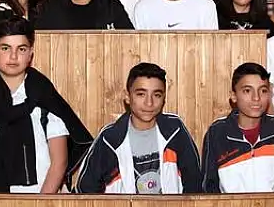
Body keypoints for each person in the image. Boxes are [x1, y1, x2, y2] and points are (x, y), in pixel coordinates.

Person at [0, 18, 94, 193]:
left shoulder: (46, 98)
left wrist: (41, 203)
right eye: (5, 48)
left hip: (40, 199)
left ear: (30, 53)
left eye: (21, 49)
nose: (13, 56)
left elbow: (59, 162)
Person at [75, 63, 203, 194]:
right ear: (127, 96)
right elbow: (85, 189)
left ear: (164, 98)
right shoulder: (110, 138)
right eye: (141, 94)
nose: (149, 103)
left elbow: (194, 182)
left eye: (157, 95)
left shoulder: (175, 131)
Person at [201, 63, 274, 193]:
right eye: (247, 91)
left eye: (263, 91)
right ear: (234, 96)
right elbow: (209, 186)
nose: (256, 98)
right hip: (229, 206)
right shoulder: (217, 133)